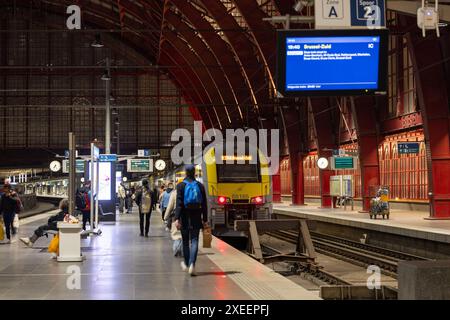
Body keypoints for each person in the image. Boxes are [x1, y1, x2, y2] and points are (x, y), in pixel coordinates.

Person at [174, 164, 208, 276]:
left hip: (184, 217)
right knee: (194, 240)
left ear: (185, 173)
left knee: (185, 242)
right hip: (196, 216)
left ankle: (188, 264)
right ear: (194, 172)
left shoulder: (180, 186)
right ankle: (193, 264)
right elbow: (204, 205)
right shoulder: (200, 185)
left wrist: (176, 218)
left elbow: (179, 204)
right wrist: (205, 219)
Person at [164, 185, 182, 256]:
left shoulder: (174, 193)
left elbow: (170, 206)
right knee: (184, 234)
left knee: (176, 234)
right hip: (186, 216)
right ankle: (183, 249)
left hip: (176, 215)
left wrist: (165, 216)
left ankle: (177, 249)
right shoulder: (186, 192)